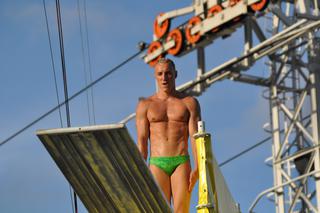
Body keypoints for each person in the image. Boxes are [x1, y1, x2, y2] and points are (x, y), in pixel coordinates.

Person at [136, 58, 201, 212]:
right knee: (159, 209)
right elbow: (142, 142)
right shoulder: (145, 105)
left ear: (175, 74)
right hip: (157, 162)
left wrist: (198, 166)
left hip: (181, 161)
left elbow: (195, 137)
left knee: (181, 210)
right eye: (160, 74)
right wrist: (139, 172)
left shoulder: (189, 103)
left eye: (168, 74)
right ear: (155, 76)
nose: (164, 78)